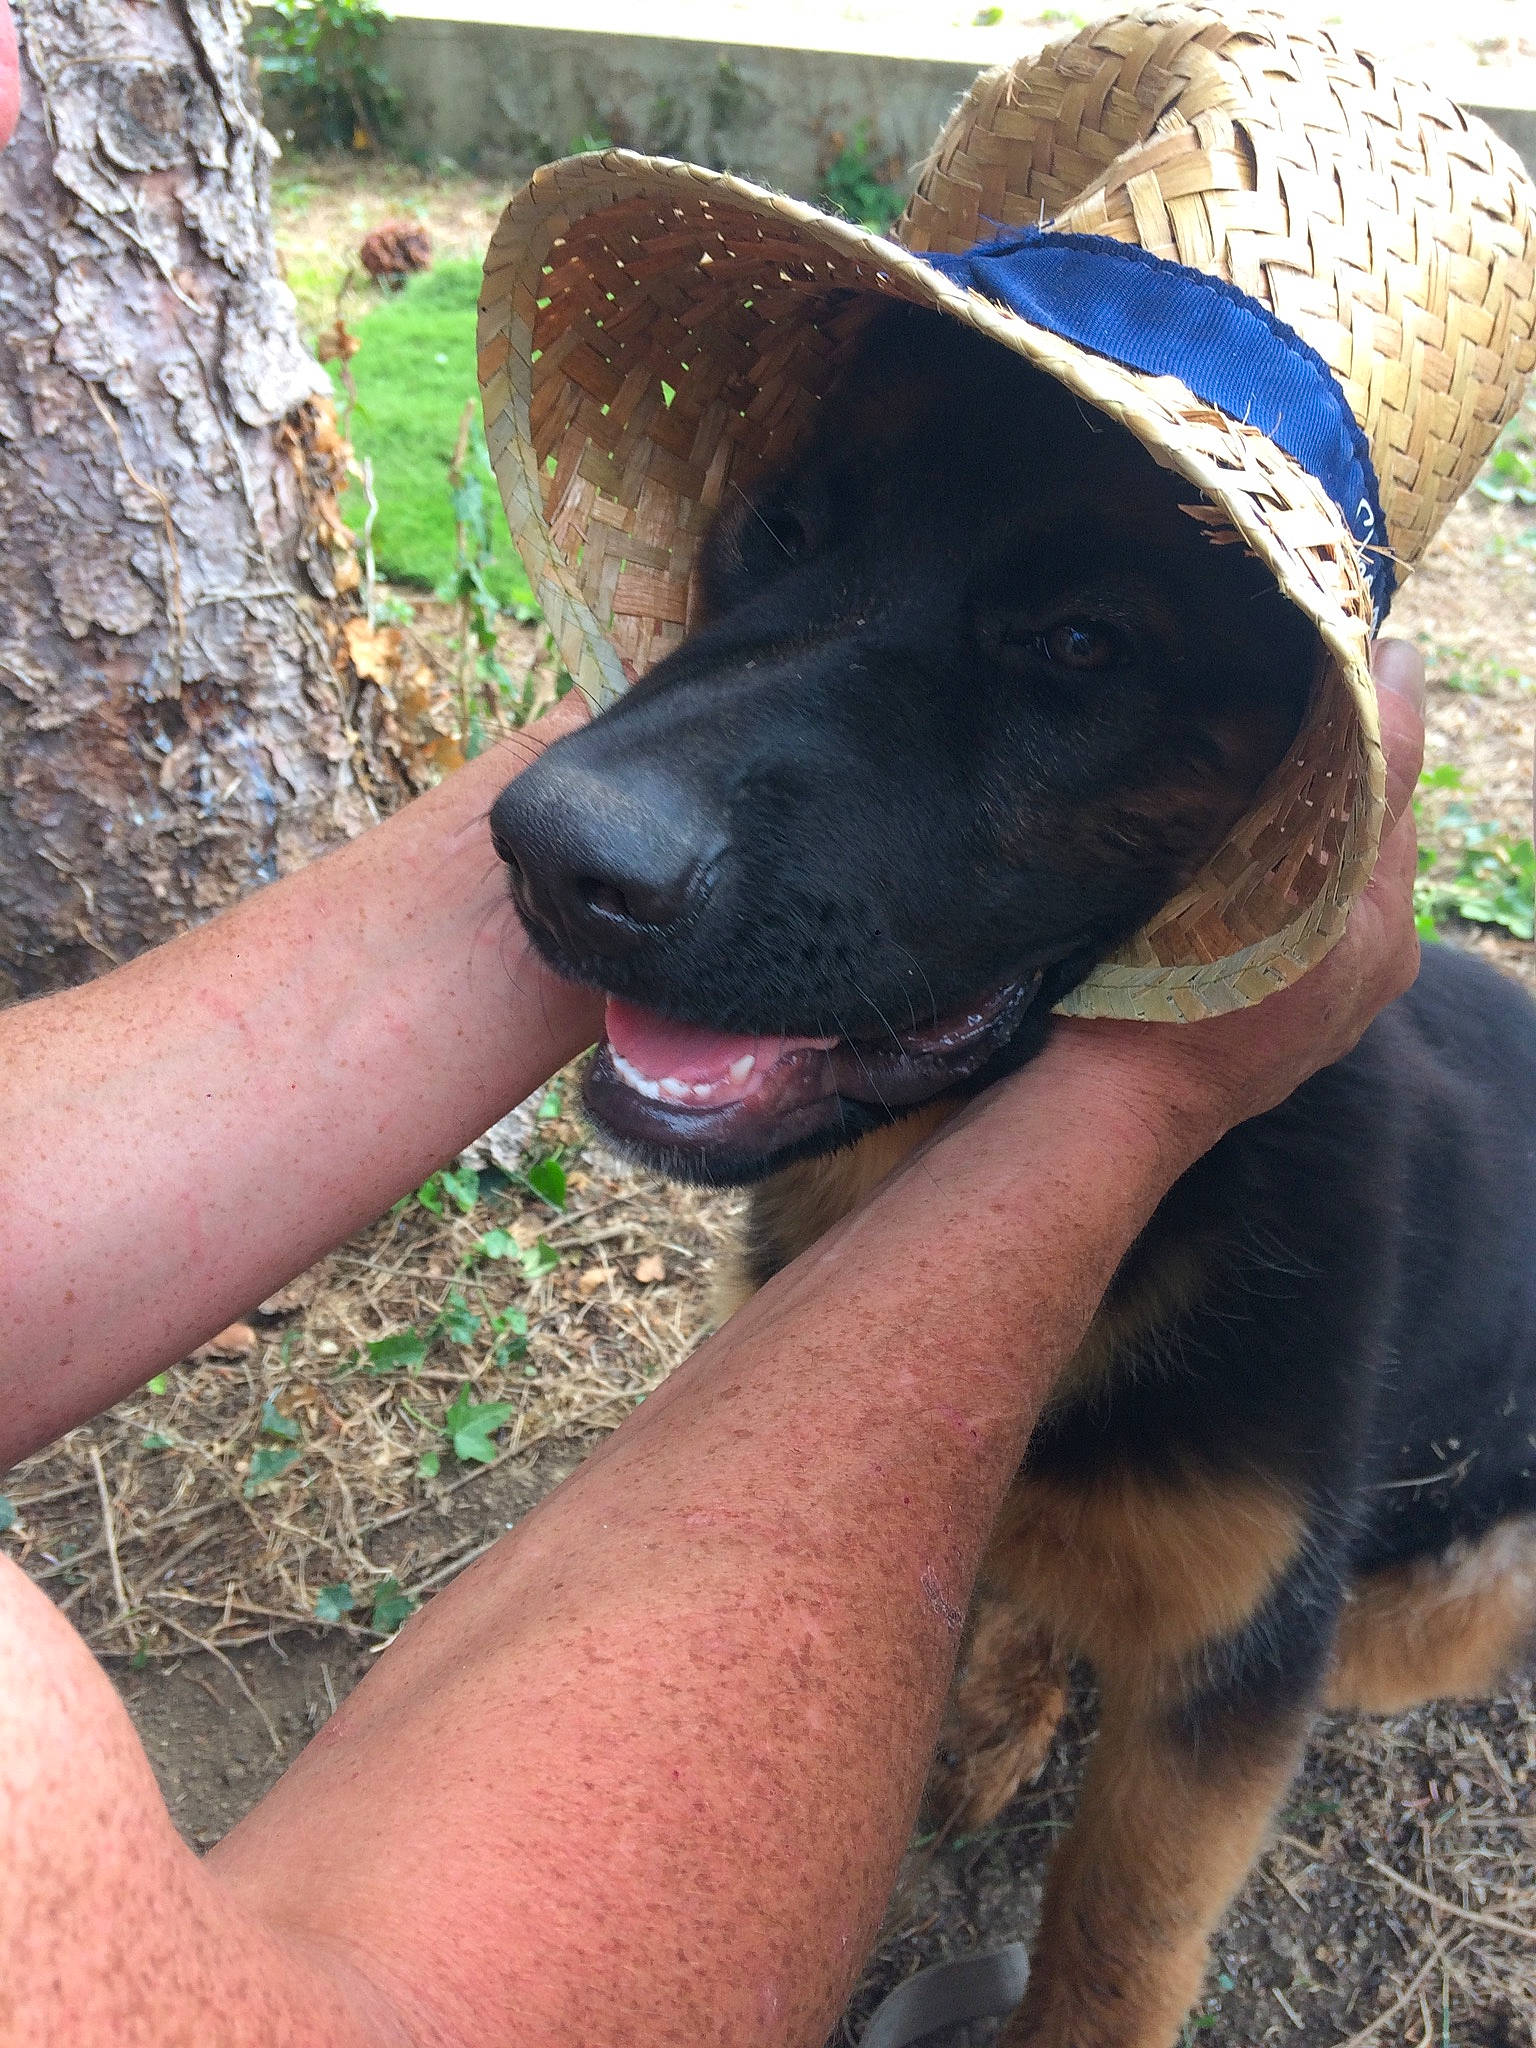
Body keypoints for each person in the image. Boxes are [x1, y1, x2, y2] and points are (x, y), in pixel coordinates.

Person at [0, 9, 1431, 2042]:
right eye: (793, 527)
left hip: (1441, 1515)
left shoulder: (1313, 1245)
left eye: (1085, 643)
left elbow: (1237, 1634)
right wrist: (1134, 1097)